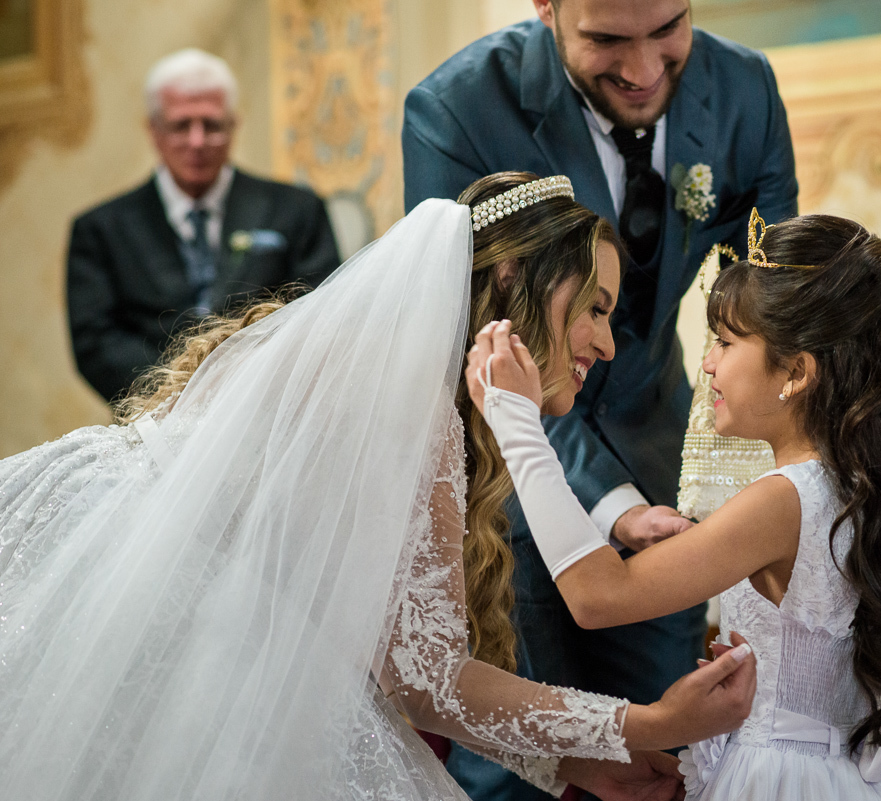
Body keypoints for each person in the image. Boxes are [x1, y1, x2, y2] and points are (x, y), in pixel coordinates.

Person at [0, 173, 759, 801]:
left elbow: (375, 639)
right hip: (180, 675)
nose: (607, 340)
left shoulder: (382, 371)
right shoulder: (408, 404)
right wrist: (645, 722)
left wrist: (561, 758)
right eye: (594, 307)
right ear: (511, 276)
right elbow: (425, 677)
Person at [403, 3, 798, 794]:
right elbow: (481, 343)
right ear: (546, 7)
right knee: (505, 761)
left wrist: (763, 491)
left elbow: (781, 308)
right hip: (497, 484)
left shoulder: (745, 91)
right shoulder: (457, 108)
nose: (646, 68)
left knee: (661, 760)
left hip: (656, 464)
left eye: (668, 28)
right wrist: (606, 505)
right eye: (608, 39)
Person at [468, 211, 881, 799]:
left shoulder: (783, 500)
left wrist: (517, 422)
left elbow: (597, 597)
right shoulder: (846, 488)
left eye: (726, 342)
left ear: (795, 372)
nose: (707, 362)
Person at [67, 48, 340, 403]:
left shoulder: (297, 210)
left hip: (269, 410)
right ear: (154, 130)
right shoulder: (101, 230)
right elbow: (96, 342)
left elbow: (324, 312)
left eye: (211, 125)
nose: (197, 142)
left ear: (233, 126)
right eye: (181, 125)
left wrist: (246, 386)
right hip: (152, 418)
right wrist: (181, 390)